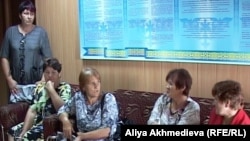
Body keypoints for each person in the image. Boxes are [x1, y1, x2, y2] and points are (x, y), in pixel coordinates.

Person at [7, 58, 71, 141]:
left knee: (27, 137)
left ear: (59, 74)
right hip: (37, 121)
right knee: (13, 132)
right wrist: (24, 131)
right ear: (43, 74)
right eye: (47, 73)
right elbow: (32, 111)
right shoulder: (40, 88)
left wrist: (51, 91)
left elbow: (63, 109)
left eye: (53, 73)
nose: (50, 76)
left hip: (51, 124)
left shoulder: (65, 88)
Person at [0, 0, 52, 95]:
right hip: (16, 86)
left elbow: (48, 59)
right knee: (15, 109)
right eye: (26, 13)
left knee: (35, 109)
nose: (29, 17)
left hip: (36, 85)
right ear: (20, 15)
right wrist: (9, 79)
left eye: (32, 14)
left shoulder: (41, 33)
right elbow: (4, 57)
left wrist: (43, 80)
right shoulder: (10, 32)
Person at [58, 67, 119, 141]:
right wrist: (66, 121)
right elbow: (63, 110)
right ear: (83, 87)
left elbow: (107, 131)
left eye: (98, 82)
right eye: (92, 83)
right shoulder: (79, 98)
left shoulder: (108, 99)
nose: (96, 86)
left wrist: (82, 136)